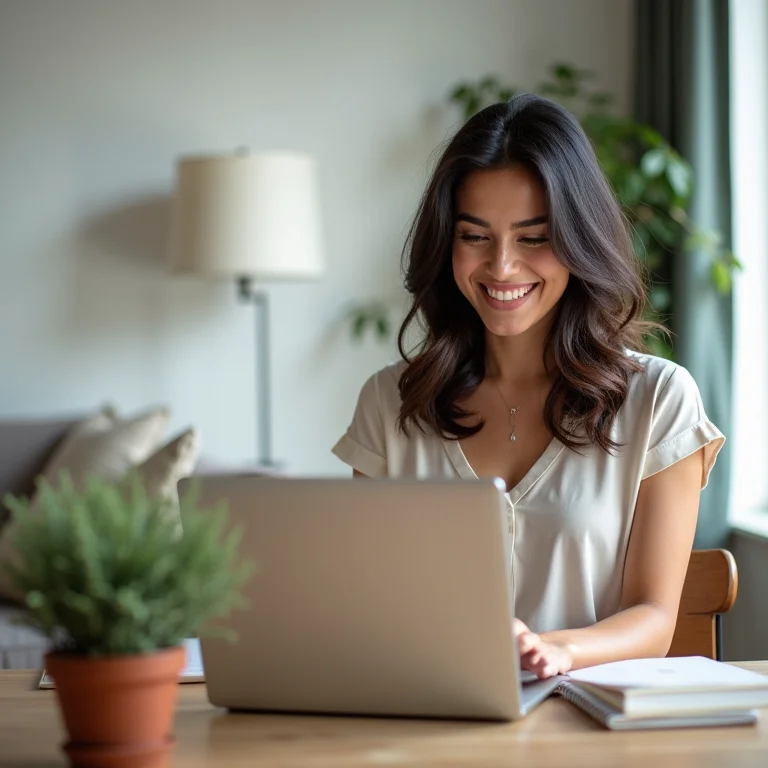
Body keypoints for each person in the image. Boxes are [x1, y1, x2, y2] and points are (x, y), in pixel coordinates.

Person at [332, 94, 724, 680]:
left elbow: (655, 616)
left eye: (534, 238)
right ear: (448, 244)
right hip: (429, 721)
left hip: (590, 729)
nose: (502, 267)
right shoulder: (389, 404)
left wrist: (558, 651)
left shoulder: (660, 400)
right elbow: (367, 603)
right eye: (475, 236)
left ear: (579, 241)